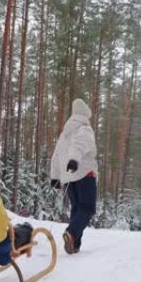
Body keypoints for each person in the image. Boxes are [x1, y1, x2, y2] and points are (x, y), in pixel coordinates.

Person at [50, 98, 98, 254]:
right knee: (87, 208)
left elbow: (56, 155)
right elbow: (80, 145)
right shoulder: (84, 128)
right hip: (84, 173)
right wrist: (74, 159)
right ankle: (71, 233)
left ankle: (74, 245)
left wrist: (55, 176)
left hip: (68, 178)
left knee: (77, 210)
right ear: (86, 114)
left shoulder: (65, 134)